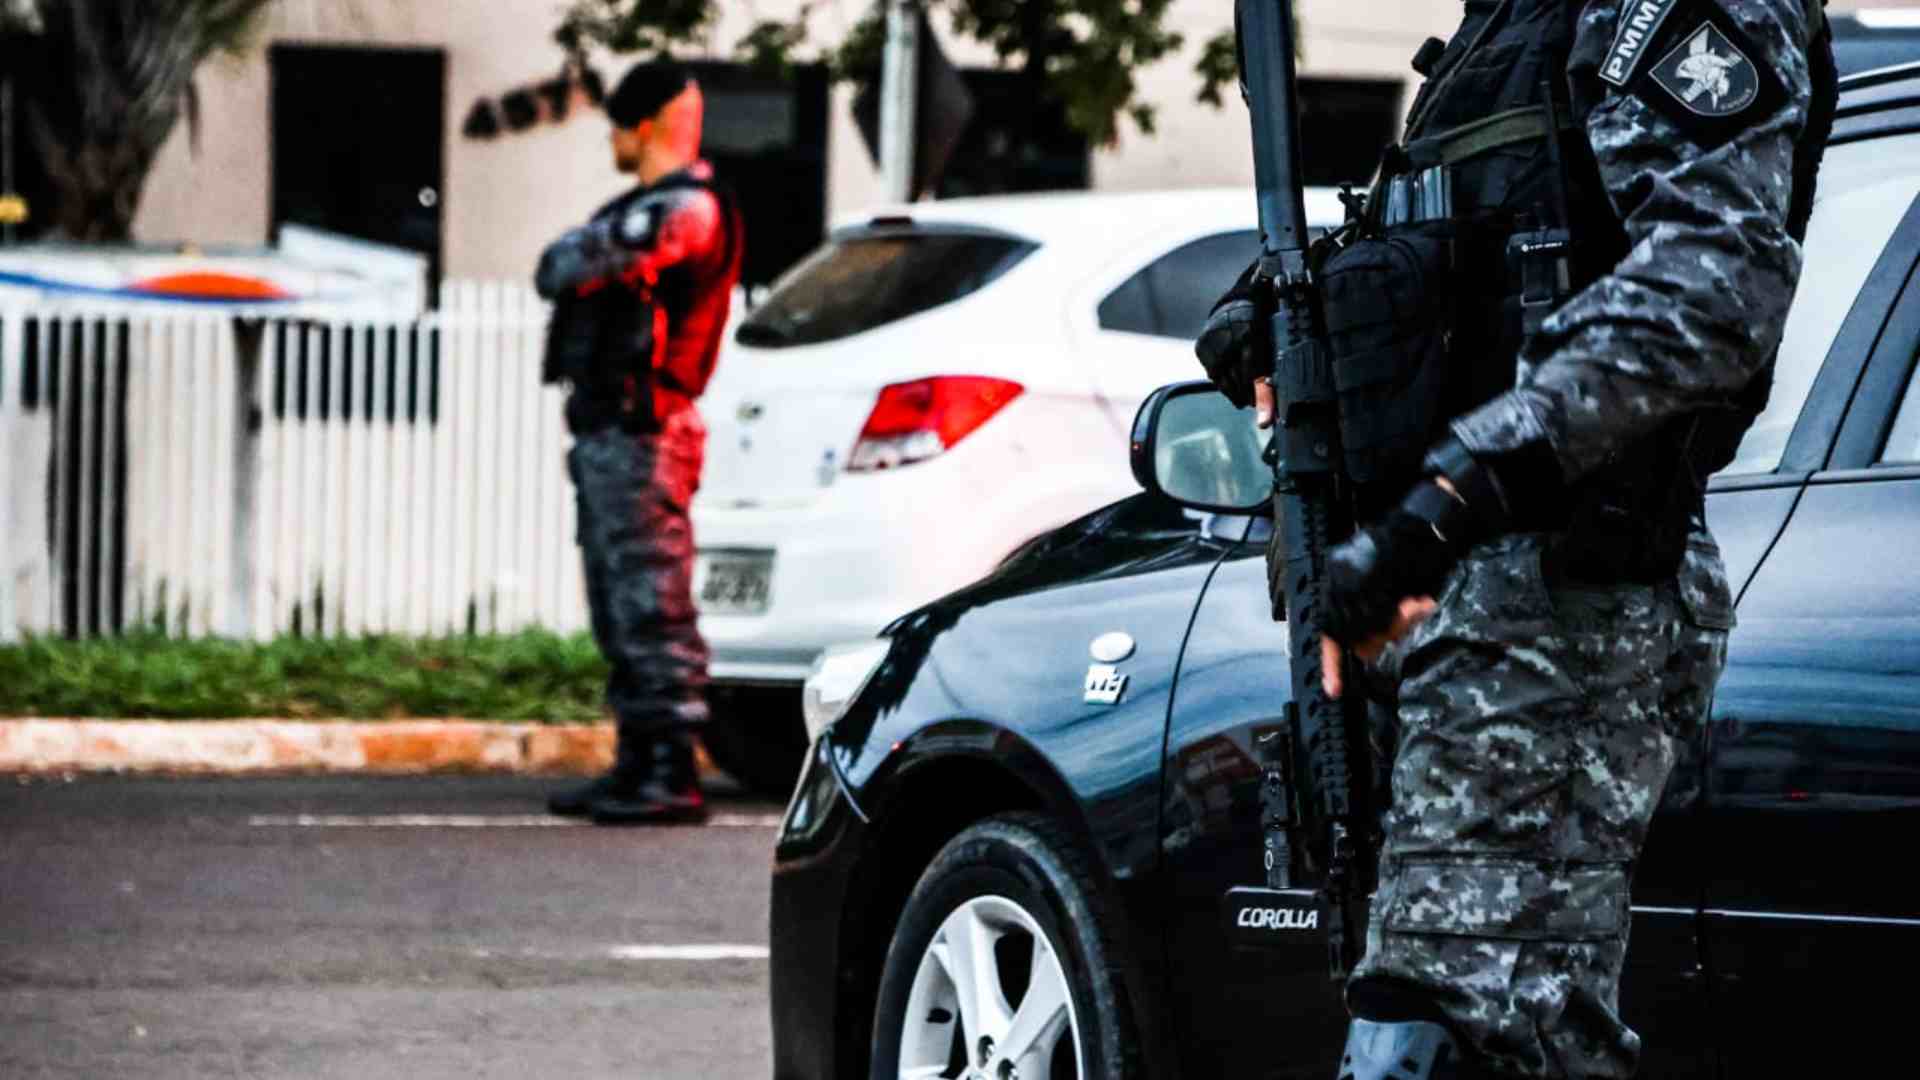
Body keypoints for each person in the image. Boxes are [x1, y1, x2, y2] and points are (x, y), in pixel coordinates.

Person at [1198, 1, 1836, 1076]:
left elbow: (1712, 284)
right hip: (1439, 601)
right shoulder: (1508, 27)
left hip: (1562, 590)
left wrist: (1459, 490)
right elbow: (1487, 257)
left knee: (1454, 1036)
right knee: (1477, 1030)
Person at [535, 61, 743, 826]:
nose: (613, 143)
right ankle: (637, 759)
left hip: (647, 431)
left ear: (644, 125)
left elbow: (562, 265)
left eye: (618, 127)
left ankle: (668, 768)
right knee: (620, 604)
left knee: (653, 602)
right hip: (616, 430)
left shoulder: (684, 209)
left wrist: (577, 248)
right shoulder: (648, 207)